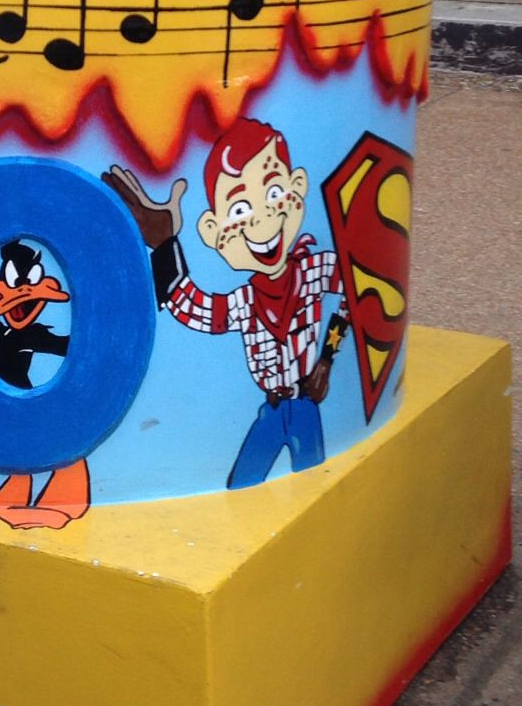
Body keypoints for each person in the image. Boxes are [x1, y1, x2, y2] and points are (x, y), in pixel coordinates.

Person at [104, 116, 350, 488]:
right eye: (239, 211)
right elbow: (195, 309)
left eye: (272, 193)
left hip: (305, 406)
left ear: (297, 188)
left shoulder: (315, 270)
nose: (261, 220)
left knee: (314, 483)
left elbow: (359, 289)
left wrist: (328, 359)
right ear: (213, 232)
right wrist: (165, 243)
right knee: (243, 481)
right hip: (270, 409)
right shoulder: (246, 302)